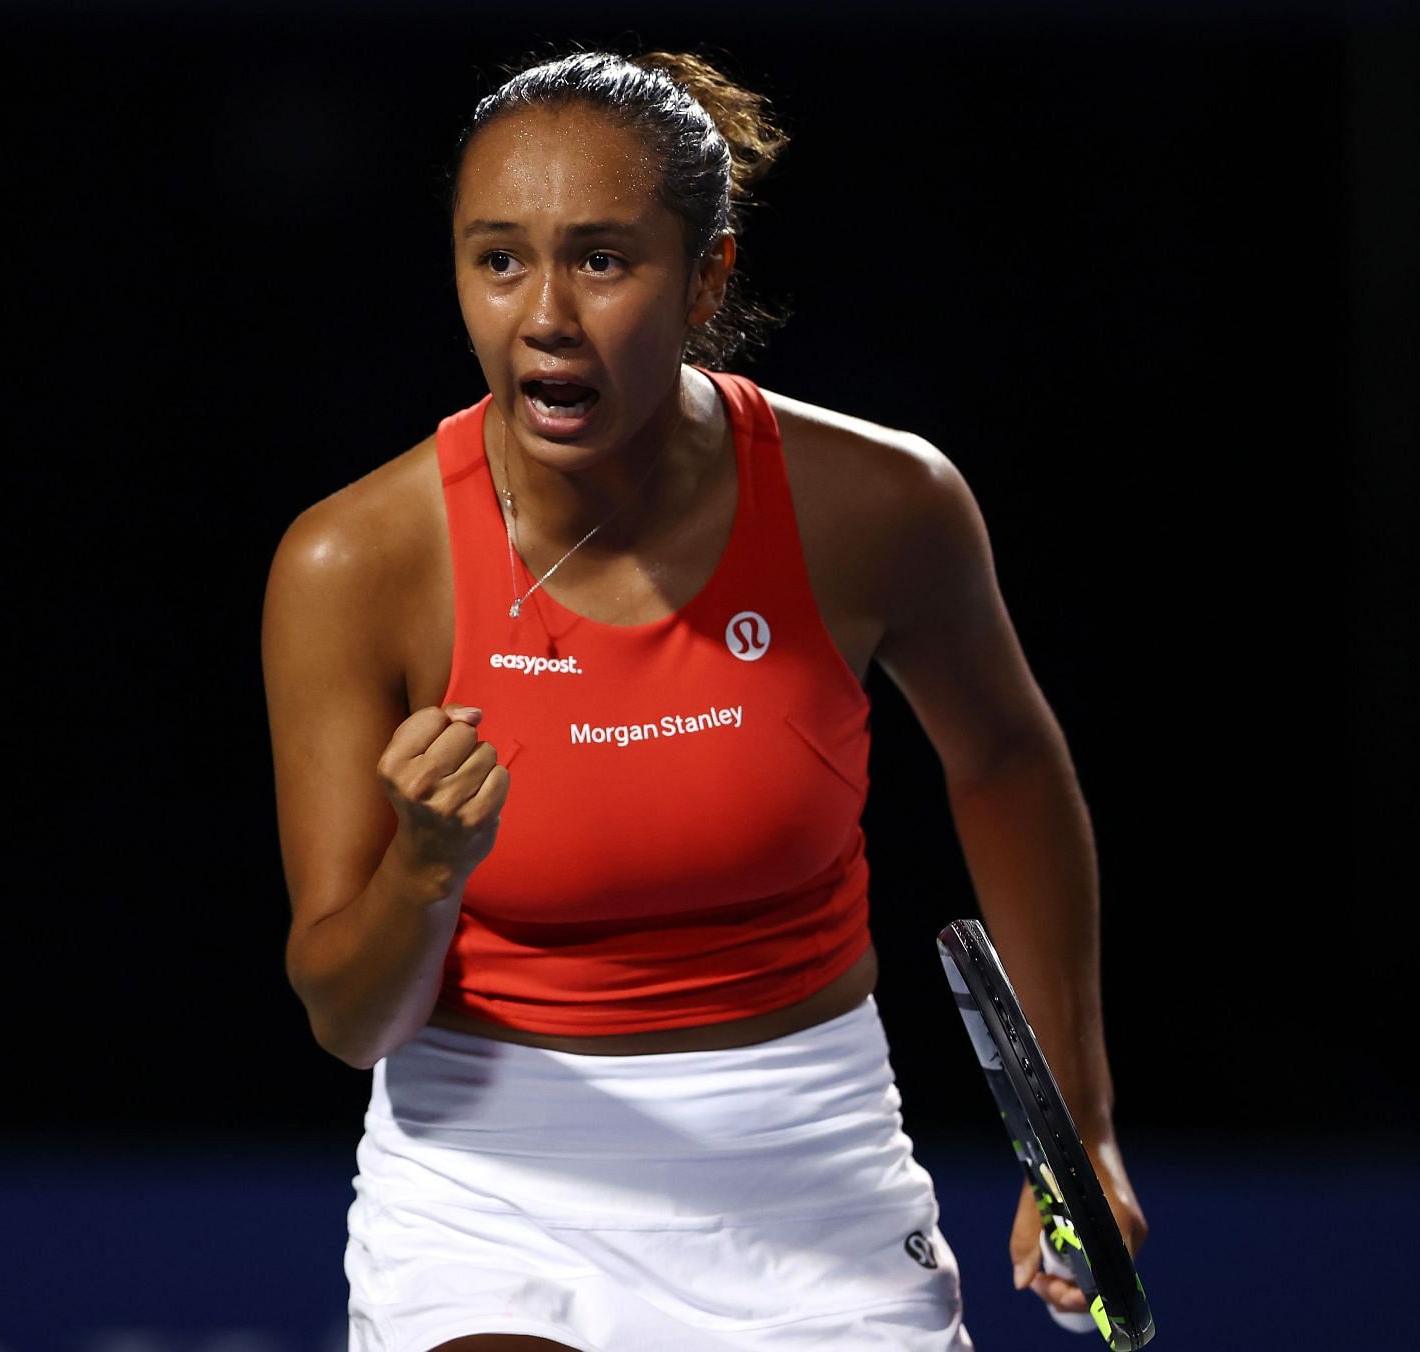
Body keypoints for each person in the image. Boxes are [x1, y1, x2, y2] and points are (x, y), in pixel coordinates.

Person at [260, 47, 1146, 1352]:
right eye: (498, 260)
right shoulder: (352, 565)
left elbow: (1007, 762)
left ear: (707, 277)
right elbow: (347, 1020)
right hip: (495, 1175)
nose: (544, 314)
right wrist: (426, 874)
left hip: (804, 1161)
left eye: (603, 260)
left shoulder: (881, 507)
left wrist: (1081, 1131)